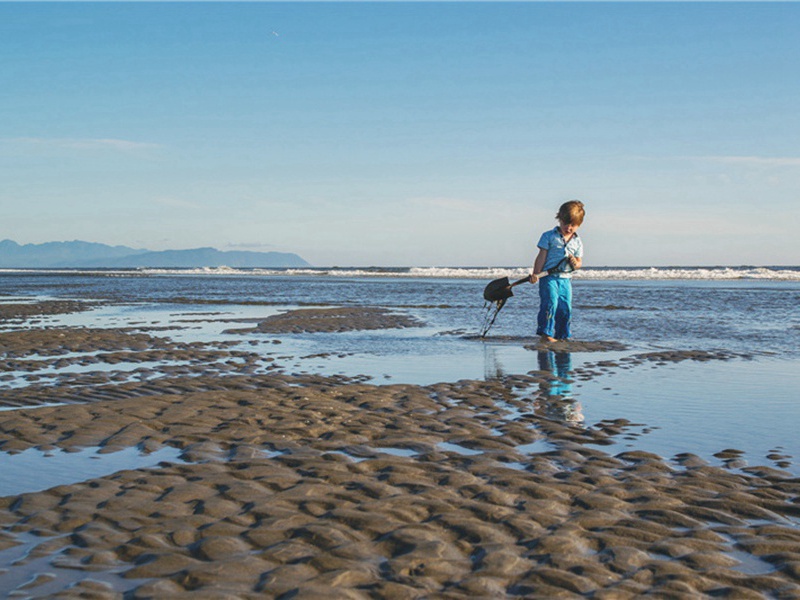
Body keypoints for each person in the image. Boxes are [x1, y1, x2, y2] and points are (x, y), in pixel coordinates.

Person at [528, 200, 585, 342]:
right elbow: (541, 257)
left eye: (573, 225)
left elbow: (579, 263)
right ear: (559, 219)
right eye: (566, 223)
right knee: (550, 303)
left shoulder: (577, 242)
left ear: (579, 225)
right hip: (548, 277)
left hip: (566, 279)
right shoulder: (549, 236)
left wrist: (575, 263)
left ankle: (562, 335)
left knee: (565, 307)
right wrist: (536, 273)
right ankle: (545, 334)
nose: (569, 228)